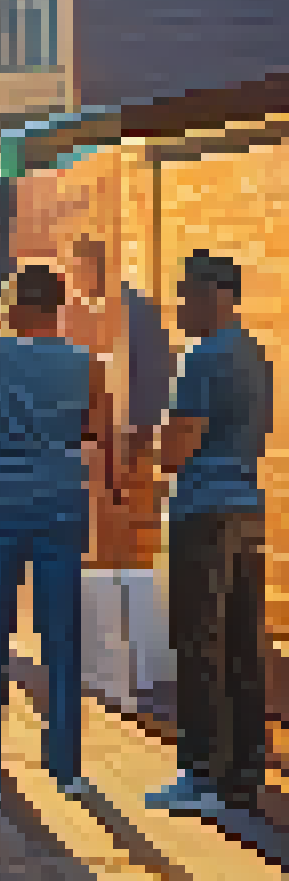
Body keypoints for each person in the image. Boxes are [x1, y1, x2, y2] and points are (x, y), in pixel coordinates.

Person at [0, 264, 106, 803]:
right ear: (56, 307)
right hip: (62, 503)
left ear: (12, 304)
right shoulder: (89, 363)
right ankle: (67, 767)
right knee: (62, 639)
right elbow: (98, 436)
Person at [146, 251, 273, 814]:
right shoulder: (253, 352)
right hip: (246, 505)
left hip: (203, 510)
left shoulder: (201, 359)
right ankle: (244, 768)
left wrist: (144, 449)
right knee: (242, 641)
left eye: (187, 295)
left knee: (198, 642)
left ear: (214, 295)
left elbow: (178, 447)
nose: (180, 307)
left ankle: (200, 776)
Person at [61, 235, 176, 714]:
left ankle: (135, 670)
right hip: (100, 450)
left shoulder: (132, 316)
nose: (77, 281)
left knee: (126, 554)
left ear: (96, 269)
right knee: (107, 556)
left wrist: (136, 449)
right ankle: (118, 668)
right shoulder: (87, 313)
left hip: (126, 449)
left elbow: (155, 383)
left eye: (81, 271)